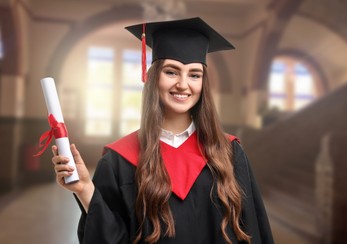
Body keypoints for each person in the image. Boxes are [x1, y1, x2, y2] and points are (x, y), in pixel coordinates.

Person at [52, 17, 274, 244]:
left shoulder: (229, 153)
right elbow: (112, 237)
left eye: (194, 75)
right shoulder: (119, 161)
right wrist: (85, 189)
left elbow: (255, 230)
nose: (183, 84)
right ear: (153, 77)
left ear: (203, 84)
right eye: (171, 72)